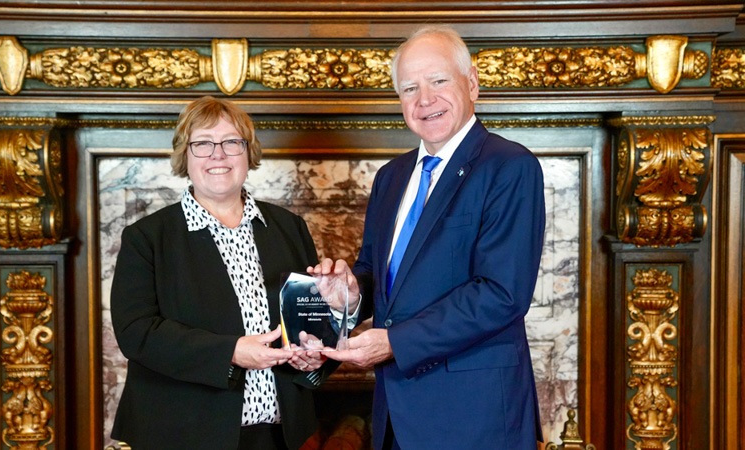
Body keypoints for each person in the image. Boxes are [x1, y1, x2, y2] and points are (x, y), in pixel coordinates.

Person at [315, 25, 546, 449]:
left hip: (475, 417)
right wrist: (349, 292)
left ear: (472, 82)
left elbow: (501, 294)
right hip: (396, 418)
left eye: (438, 81)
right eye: (409, 88)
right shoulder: (390, 177)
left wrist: (393, 344)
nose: (425, 100)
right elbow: (378, 274)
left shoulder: (510, 166)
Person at [110, 96, 334, 449]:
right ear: (185, 155)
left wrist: (313, 355)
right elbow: (135, 333)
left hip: (280, 436)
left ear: (248, 152)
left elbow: (311, 321)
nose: (218, 154)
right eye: (203, 144)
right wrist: (230, 351)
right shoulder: (147, 237)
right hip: (183, 435)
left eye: (232, 142)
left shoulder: (290, 228)